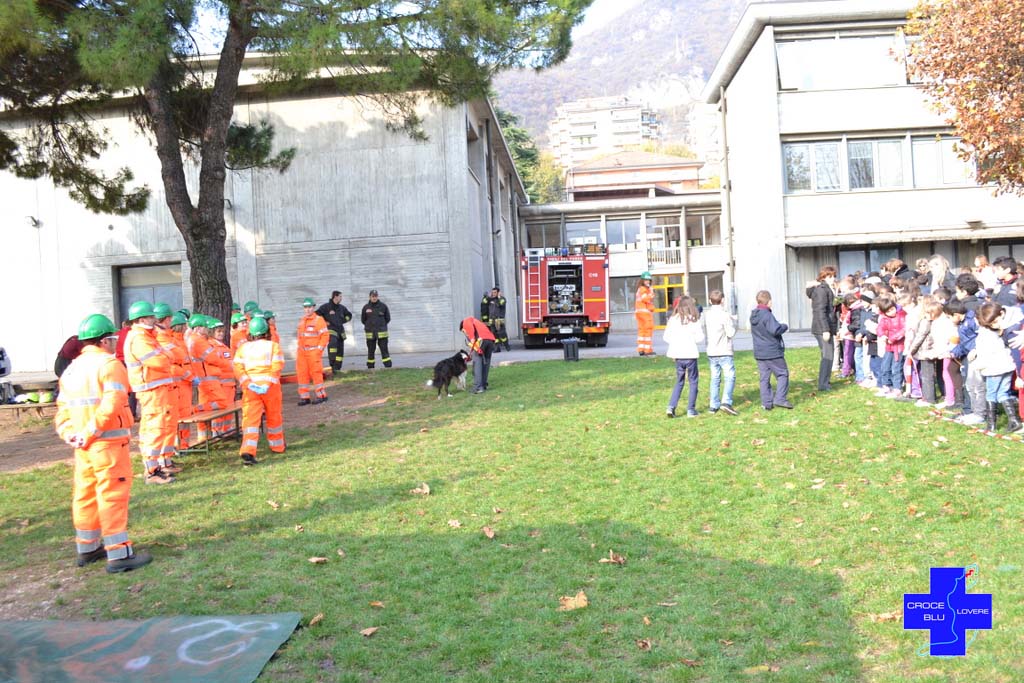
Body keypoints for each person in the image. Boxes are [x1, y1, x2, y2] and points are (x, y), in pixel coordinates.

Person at [55, 313, 153, 574]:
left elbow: (63, 408)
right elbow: (112, 403)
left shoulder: (72, 369)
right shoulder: (109, 365)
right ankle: (119, 554)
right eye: (113, 339)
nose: (115, 343)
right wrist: (92, 431)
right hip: (107, 445)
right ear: (105, 340)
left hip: (83, 446)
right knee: (112, 495)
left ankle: (87, 548)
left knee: (85, 494)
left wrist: (71, 434)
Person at [123, 301, 177, 484]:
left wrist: (167, 357)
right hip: (151, 390)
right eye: (151, 316)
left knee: (157, 427)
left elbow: (168, 357)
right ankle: (152, 471)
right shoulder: (139, 339)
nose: (155, 319)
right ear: (141, 319)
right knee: (155, 428)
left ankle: (155, 467)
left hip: (156, 389)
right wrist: (167, 357)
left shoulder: (147, 336)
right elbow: (160, 362)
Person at [233, 316, 285, 465]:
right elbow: (277, 366)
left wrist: (248, 383)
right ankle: (277, 446)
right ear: (266, 331)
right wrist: (267, 384)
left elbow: (237, 368)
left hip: (251, 389)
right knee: (274, 417)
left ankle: (248, 450)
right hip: (270, 388)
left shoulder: (243, 348)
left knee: (250, 420)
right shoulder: (273, 346)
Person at [971, 302, 1022, 433]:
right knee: (1003, 393)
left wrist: (976, 365)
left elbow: (985, 355)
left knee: (991, 394)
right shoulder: (1000, 330)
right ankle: (1014, 421)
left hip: (994, 369)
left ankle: (991, 424)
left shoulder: (984, 335)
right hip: (1008, 366)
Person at [153, 303, 190, 463]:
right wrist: (188, 375)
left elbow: (179, 357)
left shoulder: (168, 337)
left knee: (176, 419)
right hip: (172, 384)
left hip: (176, 384)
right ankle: (167, 456)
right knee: (168, 422)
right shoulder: (161, 338)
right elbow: (173, 360)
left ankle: (177, 450)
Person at [750, 290, 792, 410]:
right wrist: (784, 326)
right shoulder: (767, 315)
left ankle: (766, 403)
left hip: (760, 352)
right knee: (782, 374)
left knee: (764, 378)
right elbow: (775, 330)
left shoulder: (754, 315)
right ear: (769, 301)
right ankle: (780, 399)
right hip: (772, 352)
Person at [663, 296, 704, 418]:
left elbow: (666, 337)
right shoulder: (693, 320)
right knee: (693, 381)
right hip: (690, 355)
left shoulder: (673, 319)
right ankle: (691, 409)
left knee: (679, 381)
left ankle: (671, 407)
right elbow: (700, 338)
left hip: (678, 355)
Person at [702, 289, 738, 415]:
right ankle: (726, 402)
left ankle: (713, 405)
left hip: (712, 351)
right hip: (724, 350)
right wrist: (734, 322)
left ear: (709, 301)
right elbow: (730, 333)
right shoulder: (725, 315)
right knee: (729, 376)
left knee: (715, 378)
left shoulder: (707, 315)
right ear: (722, 300)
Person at [807, 266, 838, 392]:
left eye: (834, 276)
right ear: (823, 277)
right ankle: (823, 384)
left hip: (823, 326)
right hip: (822, 328)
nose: (833, 278)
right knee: (828, 355)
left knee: (827, 354)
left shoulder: (825, 288)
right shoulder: (822, 290)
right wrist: (825, 329)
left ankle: (825, 381)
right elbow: (820, 311)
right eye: (830, 276)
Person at [296, 297, 329, 405]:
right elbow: (300, 337)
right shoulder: (302, 321)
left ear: (314, 307)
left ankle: (321, 395)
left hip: (313, 352)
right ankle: (304, 397)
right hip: (302, 353)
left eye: (309, 307)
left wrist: (318, 350)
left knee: (316, 373)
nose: (307, 309)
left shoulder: (319, 320)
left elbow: (325, 336)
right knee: (302, 374)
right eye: (306, 307)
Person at [875, 295, 907, 398]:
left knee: (896, 367)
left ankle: (897, 388)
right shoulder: (884, 318)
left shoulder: (901, 316)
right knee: (885, 366)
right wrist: (882, 335)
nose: (891, 312)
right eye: (888, 311)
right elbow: (880, 328)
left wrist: (892, 338)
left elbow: (903, 330)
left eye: (892, 309)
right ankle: (886, 386)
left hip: (899, 346)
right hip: (888, 346)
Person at [317, 291, 353, 373]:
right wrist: (324, 322)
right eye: (340, 296)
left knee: (340, 350)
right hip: (331, 329)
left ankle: (337, 369)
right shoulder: (326, 307)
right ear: (335, 297)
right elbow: (316, 314)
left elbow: (349, 315)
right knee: (333, 343)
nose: (341, 298)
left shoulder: (342, 308)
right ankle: (332, 365)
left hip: (340, 331)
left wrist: (343, 320)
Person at [459, 316, 496, 394]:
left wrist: (472, 338)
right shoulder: (477, 322)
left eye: (463, 331)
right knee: (486, 363)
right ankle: (484, 385)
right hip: (490, 341)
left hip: (481, 340)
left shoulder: (466, 321)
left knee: (477, 363)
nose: (465, 333)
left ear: (463, 327)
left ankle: (478, 387)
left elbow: (469, 328)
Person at [362, 289, 393, 369]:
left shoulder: (383, 306)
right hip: (370, 333)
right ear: (370, 297)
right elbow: (363, 320)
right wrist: (369, 326)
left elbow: (388, 318)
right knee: (371, 351)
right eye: (373, 296)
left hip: (381, 333)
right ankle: (370, 367)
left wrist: (381, 325)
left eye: (375, 296)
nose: (374, 298)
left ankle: (388, 367)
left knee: (384, 350)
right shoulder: (366, 307)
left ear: (377, 297)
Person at [480, 286, 511, 352]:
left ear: (498, 293)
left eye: (495, 292)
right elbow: (484, 302)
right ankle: (497, 348)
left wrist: (499, 297)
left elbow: (501, 304)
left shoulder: (502, 299)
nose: (493, 294)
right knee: (494, 334)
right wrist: (486, 296)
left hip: (499, 320)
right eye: (492, 292)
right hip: (492, 320)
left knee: (502, 334)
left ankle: (507, 346)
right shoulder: (490, 299)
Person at [635, 272, 655, 356]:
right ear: (642, 280)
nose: (648, 282)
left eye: (649, 280)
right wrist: (651, 293)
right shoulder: (644, 289)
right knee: (648, 331)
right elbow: (645, 299)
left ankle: (641, 349)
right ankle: (647, 350)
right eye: (646, 280)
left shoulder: (640, 289)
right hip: (645, 313)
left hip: (639, 313)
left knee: (642, 331)